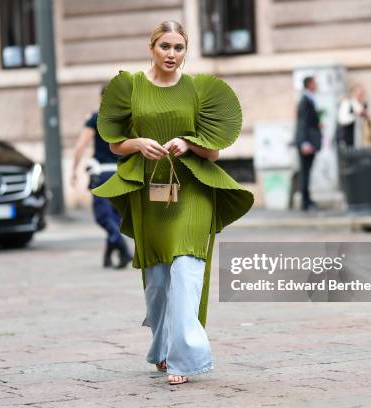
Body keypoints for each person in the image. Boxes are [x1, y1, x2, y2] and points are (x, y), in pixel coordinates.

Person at [92, 20, 253, 385]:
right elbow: (116, 142)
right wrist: (138, 144)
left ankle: (185, 358)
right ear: (152, 47)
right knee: (159, 280)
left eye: (179, 47)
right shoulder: (130, 87)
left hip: (193, 188)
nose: (172, 54)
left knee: (186, 269)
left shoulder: (198, 90)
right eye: (165, 46)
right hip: (150, 192)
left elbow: (212, 153)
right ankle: (163, 347)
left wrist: (189, 143)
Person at [71, 88, 132, 269]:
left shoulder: (96, 118)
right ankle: (108, 257)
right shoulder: (125, 120)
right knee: (114, 215)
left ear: (101, 98)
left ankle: (124, 250)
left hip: (104, 173)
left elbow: (81, 145)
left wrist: (73, 170)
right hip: (121, 173)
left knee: (102, 216)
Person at [295, 76, 322, 211]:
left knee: (307, 172)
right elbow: (302, 123)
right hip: (306, 143)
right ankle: (305, 202)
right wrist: (305, 143)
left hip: (310, 141)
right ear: (310, 84)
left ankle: (307, 199)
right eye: (315, 82)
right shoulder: (305, 101)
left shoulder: (309, 99)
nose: (316, 85)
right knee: (305, 173)